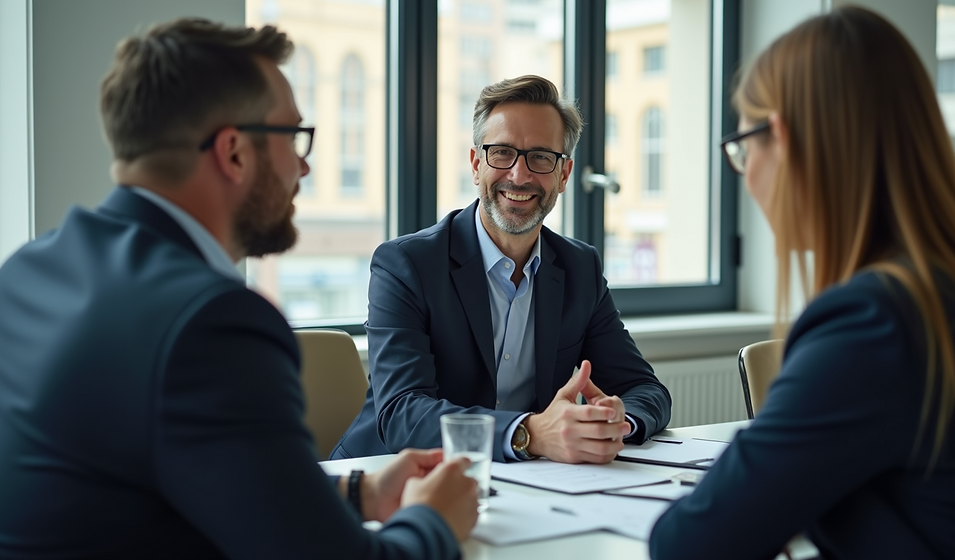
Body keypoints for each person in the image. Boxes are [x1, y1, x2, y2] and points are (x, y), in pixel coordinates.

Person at [0, 18, 478, 560]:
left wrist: (357, 492)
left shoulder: (29, 269)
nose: (303, 165)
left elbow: (151, 488)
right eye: (293, 136)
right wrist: (433, 522)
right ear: (233, 153)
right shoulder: (210, 320)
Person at [649, 6, 955, 559]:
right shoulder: (954, 288)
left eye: (743, 147)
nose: (747, 172)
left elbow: (689, 546)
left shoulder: (873, 321)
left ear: (783, 138)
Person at [332, 75, 671, 465]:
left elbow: (645, 389)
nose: (519, 175)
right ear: (477, 164)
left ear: (564, 175)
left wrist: (613, 423)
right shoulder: (406, 264)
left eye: (541, 157)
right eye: (502, 153)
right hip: (388, 478)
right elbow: (402, 413)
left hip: (521, 486)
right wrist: (528, 433)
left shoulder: (580, 268)